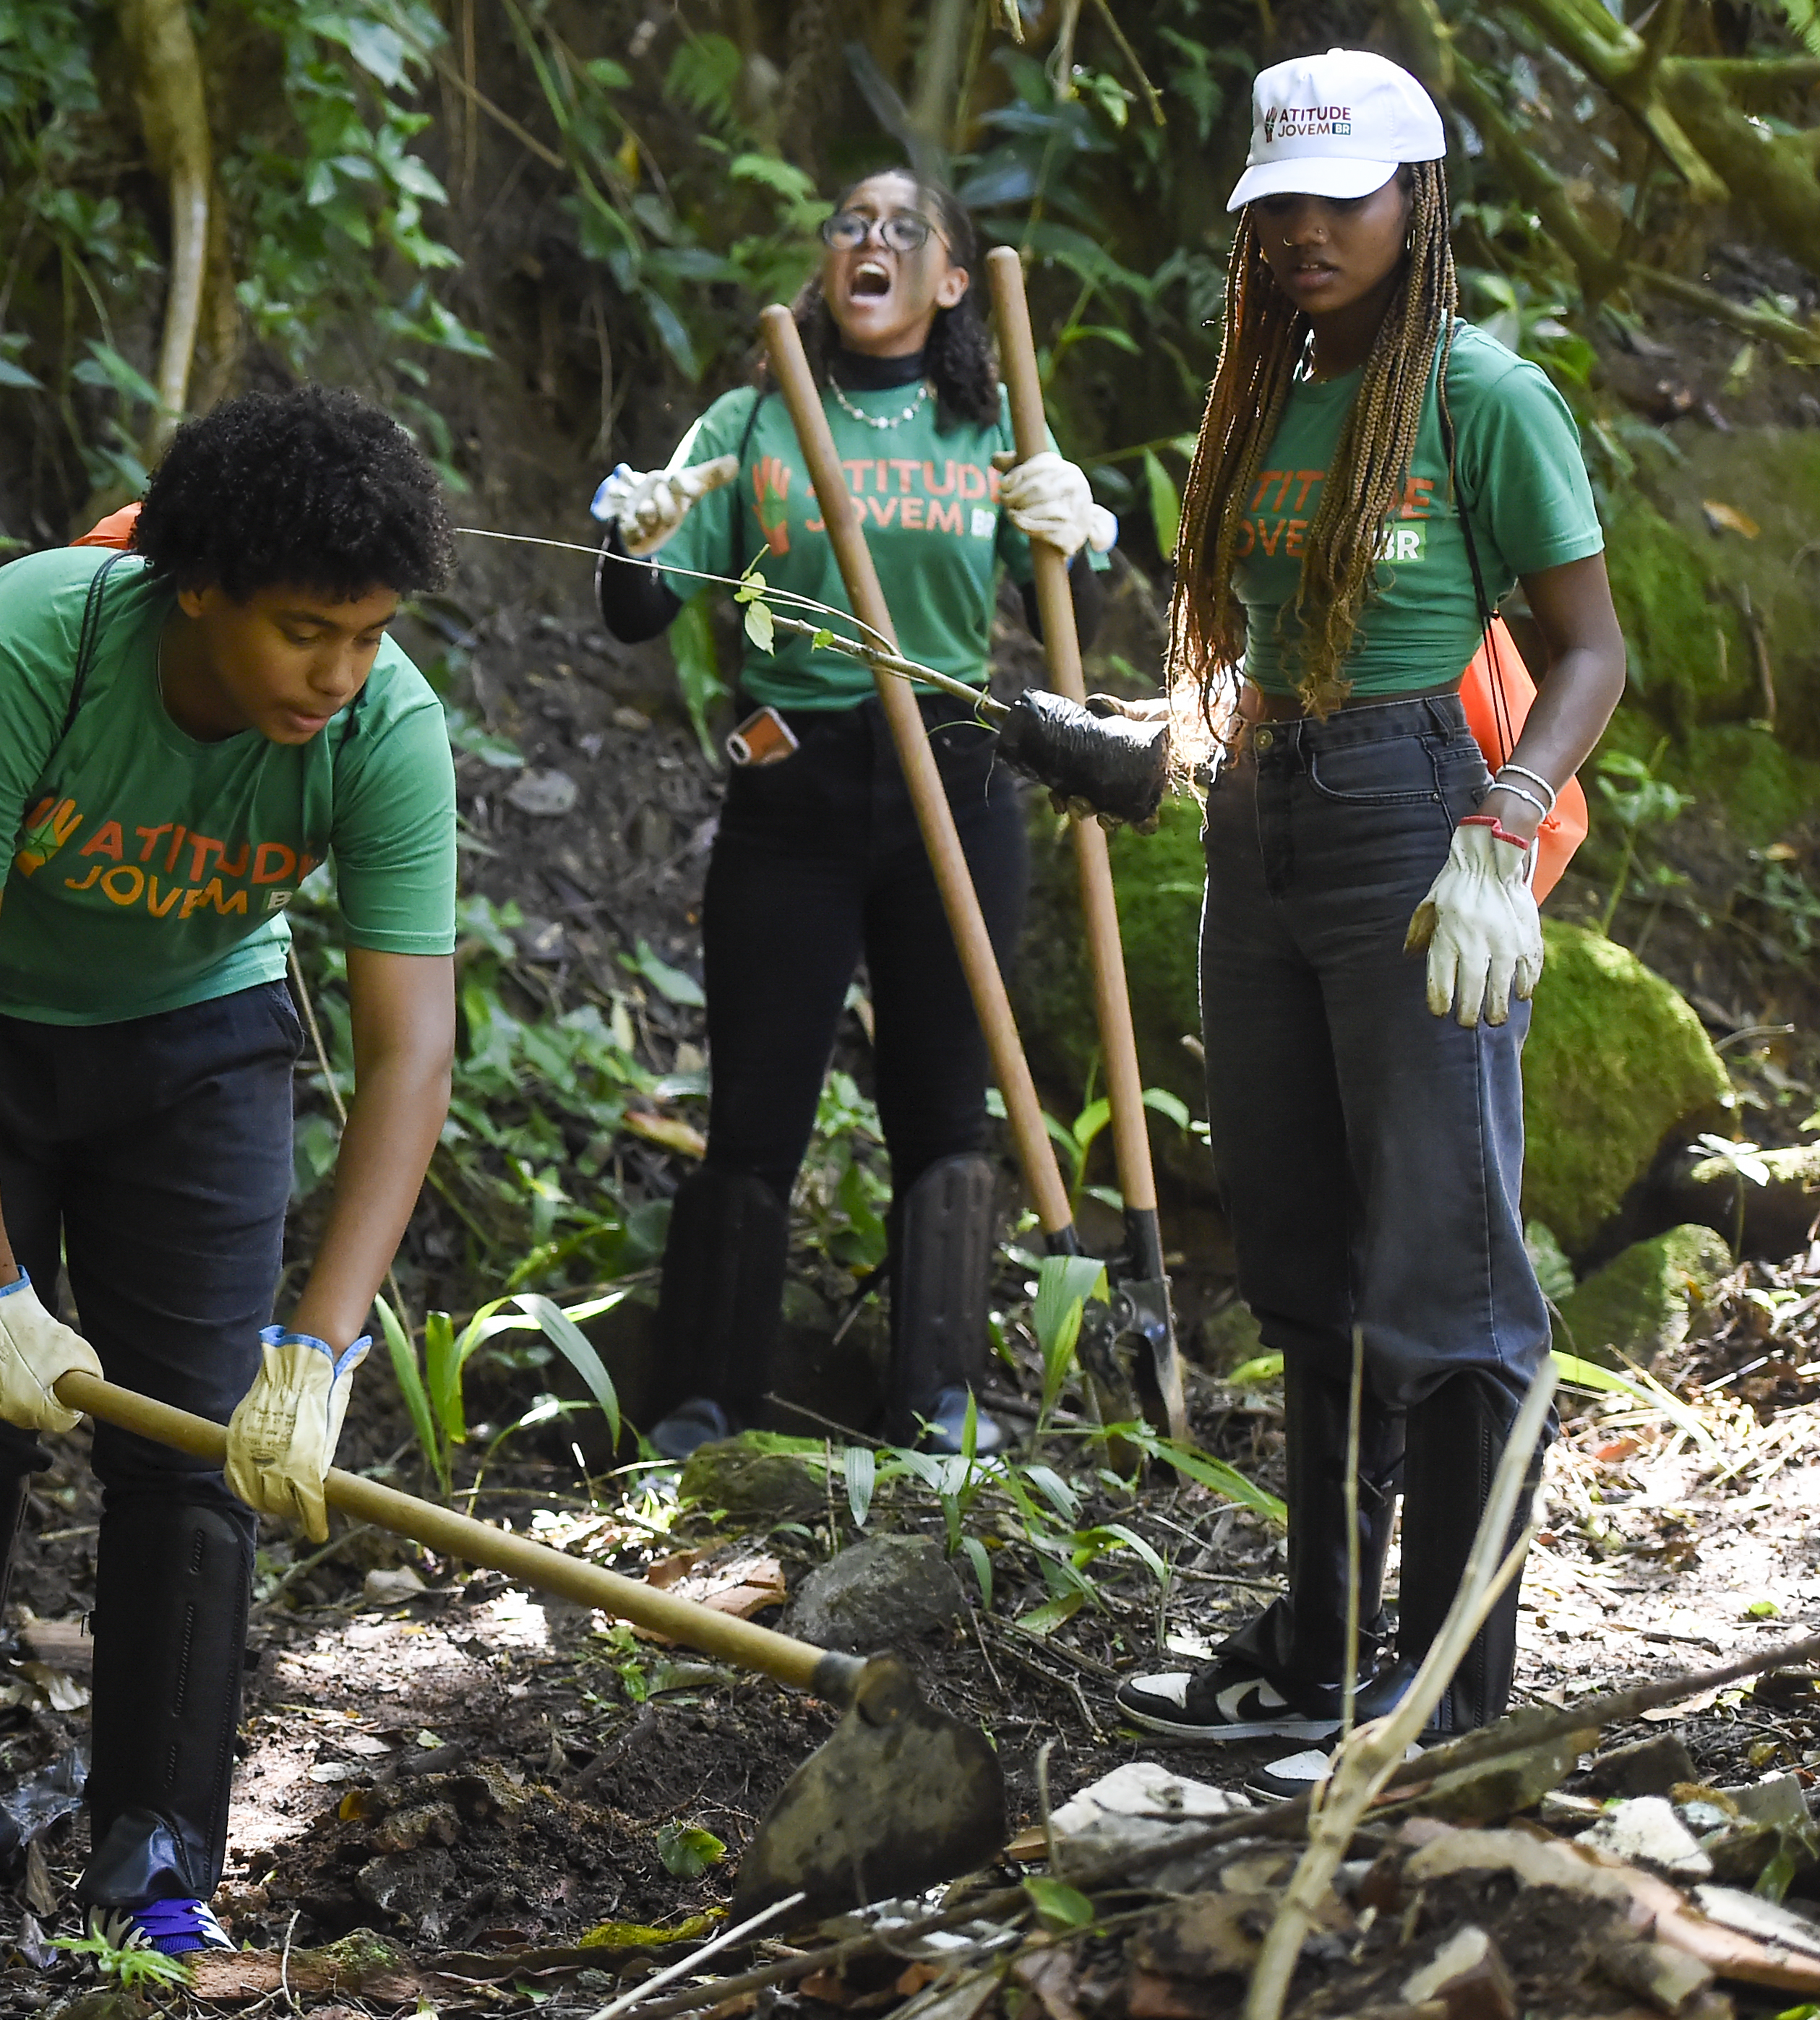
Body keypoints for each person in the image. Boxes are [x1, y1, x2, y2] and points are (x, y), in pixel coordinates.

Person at [0, 387, 459, 1975]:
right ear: (198, 588)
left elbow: (409, 1055)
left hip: (192, 1016)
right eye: (307, 629)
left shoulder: (385, 733)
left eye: (369, 633)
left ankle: (155, 1851)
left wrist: (319, 1347)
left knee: (195, 1441)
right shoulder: (33, 645)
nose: (341, 672)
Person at [1109, 50, 1625, 1794]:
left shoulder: (1485, 395)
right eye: (1280, 206)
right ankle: (1318, 1647)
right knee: (1303, 1260)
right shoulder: (1261, 393)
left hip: (1422, 816)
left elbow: (1589, 651)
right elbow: (1248, 634)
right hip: (1266, 815)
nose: (1309, 230)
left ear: (1421, 201)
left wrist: (1502, 819)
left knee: (1448, 1272)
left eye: (1345, 197)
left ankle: (1446, 1691)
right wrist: (1164, 737)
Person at [591, 170, 1115, 1461]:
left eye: (903, 229)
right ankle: (707, 1400)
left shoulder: (990, 428)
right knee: (758, 1105)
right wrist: (640, 538)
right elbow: (636, 611)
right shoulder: (761, 413)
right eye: (848, 226)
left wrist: (1078, 533)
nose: (867, 242)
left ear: (952, 282)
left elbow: (1072, 629)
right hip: (793, 783)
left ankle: (937, 1399)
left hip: (955, 778)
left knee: (944, 1100)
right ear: (826, 267)